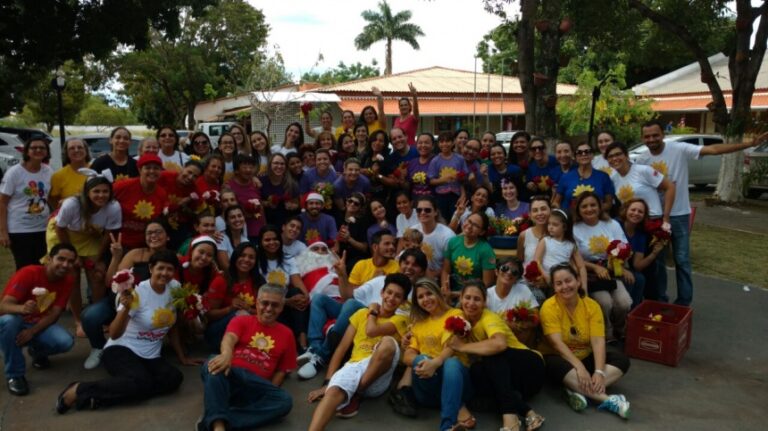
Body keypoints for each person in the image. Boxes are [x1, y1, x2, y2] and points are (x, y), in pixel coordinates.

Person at [634, 120, 768, 306]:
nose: (651, 139)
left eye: (655, 135)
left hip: (679, 215)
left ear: (663, 134)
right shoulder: (642, 159)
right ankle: (660, 300)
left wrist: (749, 144)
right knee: (658, 261)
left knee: (682, 260)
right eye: (647, 136)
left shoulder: (678, 149)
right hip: (656, 217)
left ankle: (683, 302)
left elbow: (713, 150)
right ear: (642, 138)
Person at [55, 250, 184, 413]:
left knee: (173, 378)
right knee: (140, 381)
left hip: (151, 354)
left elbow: (173, 325)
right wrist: (126, 308)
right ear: (151, 268)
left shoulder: (175, 288)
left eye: (169, 269)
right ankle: (79, 389)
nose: (165, 273)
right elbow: (114, 333)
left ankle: (101, 397)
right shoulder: (137, 292)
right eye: (160, 268)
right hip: (121, 349)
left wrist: (182, 355)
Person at [300, 249, 427, 381]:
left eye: (415, 265)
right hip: (357, 314)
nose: (409, 267)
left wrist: (372, 311)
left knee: (352, 305)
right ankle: (314, 348)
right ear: (400, 263)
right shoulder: (382, 280)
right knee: (319, 299)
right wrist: (342, 275)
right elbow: (348, 296)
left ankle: (322, 356)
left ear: (422, 272)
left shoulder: (418, 296)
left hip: (377, 323)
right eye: (406, 263)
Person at [307, 274, 412, 428]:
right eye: (389, 292)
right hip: (355, 366)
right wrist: (327, 383)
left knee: (388, 343)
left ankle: (356, 393)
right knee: (333, 392)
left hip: (377, 377)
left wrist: (373, 312)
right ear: (382, 292)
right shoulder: (360, 314)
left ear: (403, 301)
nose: (391, 298)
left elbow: (371, 331)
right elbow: (341, 349)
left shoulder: (400, 320)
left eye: (397, 296)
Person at [449, 283, 546, 431]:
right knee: (476, 370)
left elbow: (500, 344)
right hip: (511, 383)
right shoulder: (461, 319)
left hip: (531, 369)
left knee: (492, 353)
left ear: (484, 302)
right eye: (467, 298)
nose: (471, 303)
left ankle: (509, 417)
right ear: (461, 299)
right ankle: (528, 412)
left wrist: (462, 347)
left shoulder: (488, 317)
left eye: (477, 299)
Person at [540, 263, 631, 419]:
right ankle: (609, 401)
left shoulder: (591, 306)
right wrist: (580, 367)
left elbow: (598, 341)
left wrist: (599, 372)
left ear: (578, 281)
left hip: (585, 354)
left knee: (621, 360)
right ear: (554, 288)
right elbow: (557, 344)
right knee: (553, 365)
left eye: (568, 281)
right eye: (559, 283)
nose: (565, 286)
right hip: (561, 358)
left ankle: (575, 389)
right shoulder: (549, 307)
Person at [198, 283, 295, 430]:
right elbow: (229, 338)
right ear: (257, 303)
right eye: (265, 303)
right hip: (230, 374)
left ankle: (215, 419)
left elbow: (282, 370)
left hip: (256, 385)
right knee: (213, 362)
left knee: (284, 401)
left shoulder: (287, 334)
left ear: (281, 307)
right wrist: (226, 355)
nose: (269, 308)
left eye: (275, 305)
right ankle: (218, 426)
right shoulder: (242, 320)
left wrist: (268, 391)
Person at [84, 220, 171, 370]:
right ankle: (98, 347)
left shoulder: (172, 258)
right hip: (120, 303)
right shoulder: (135, 254)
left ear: (168, 236)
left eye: (158, 232)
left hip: (146, 309)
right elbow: (110, 281)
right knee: (89, 316)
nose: (153, 236)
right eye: (149, 233)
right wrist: (116, 257)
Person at [47, 174, 121, 338]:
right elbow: (60, 228)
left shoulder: (113, 206)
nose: (101, 195)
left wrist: (97, 259)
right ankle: (79, 321)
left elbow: (107, 234)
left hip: (89, 235)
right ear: (87, 193)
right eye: (96, 191)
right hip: (64, 235)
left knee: (98, 275)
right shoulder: (72, 204)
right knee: (71, 275)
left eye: (105, 191)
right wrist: (73, 257)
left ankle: (96, 317)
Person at [0, 243, 77, 396]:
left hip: (36, 323)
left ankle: (37, 351)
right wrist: (22, 308)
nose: (65, 265)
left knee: (65, 341)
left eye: (70, 261)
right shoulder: (29, 273)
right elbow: (3, 306)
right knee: (10, 322)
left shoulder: (68, 280)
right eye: (61, 259)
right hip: (14, 320)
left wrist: (32, 332)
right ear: (49, 259)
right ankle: (15, 375)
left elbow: (55, 314)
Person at [400, 278, 473, 431]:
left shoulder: (456, 314)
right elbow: (407, 356)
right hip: (428, 388)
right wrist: (424, 362)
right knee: (421, 358)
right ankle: (457, 406)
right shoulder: (418, 324)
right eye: (420, 297)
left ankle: (447, 426)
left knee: (451, 362)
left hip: (456, 382)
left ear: (438, 293)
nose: (426, 299)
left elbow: (452, 345)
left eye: (429, 293)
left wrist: (435, 362)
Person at [572, 192, 633, 341]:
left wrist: (620, 266)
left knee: (624, 303)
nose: (589, 209)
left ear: (599, 207)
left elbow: (625, 248)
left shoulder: (612, 224)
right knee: (605, 302)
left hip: (612, 270)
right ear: (578, 209)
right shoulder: (574, 228)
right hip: (589, 273)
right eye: (584, 206)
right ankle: (606, 331)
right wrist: (595, 268)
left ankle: (620, 328)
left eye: (593, 205)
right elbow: (572, 258)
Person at [0, 136, 53, 269]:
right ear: (27, 151)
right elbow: (2, 203)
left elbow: (50, 198)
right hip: (20, 230)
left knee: (43, 266)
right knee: (25, 268)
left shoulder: (48, 171)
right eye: (34, 147)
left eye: (42, 148)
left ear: (47, 151)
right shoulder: (14, 173)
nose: (38, 150)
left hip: (43, 228)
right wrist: (3, 232)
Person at [204, 242, 261, 351]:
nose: (246, 260)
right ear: (235, 257)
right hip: (218, 333)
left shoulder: (258, 281)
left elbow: (264, 312)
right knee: (241, 314)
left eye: (251, 257)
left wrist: (249, 309)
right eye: (242, 255)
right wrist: (230, 309)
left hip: (249, 330)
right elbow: (209, 315)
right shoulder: (221, 280)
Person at [113, 154, 168, 250]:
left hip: (145, 246)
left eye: (156, 168)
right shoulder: (123, 186)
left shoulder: (162, 194)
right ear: (139, 170)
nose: (152, 171)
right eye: (148, 168)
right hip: (118, 243)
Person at [618, 199, 665, 306]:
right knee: (630, 279)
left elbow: (637, 265)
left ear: (644, 216)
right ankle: (625, 311)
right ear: (626, 210)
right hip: (610, 265)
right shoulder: (616, 225)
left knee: (640, 278)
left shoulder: (640, 235)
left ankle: (634, 311)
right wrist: (623, 270)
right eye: (633, 210)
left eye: (640, 211)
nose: (636, 213)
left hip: (626, 266)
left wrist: (654, 254)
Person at [441, 211, 496, 300]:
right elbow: (445, 270)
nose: (469, 226)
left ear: (482, 232)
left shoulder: (486, 251)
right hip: (451, 293)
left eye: (475, 225)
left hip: (473, 297)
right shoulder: (453, 242)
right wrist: (445, 289)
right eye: (469, 221)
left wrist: (456, 294)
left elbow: (487, 284)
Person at [552, 141, 614, 214]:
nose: (583, 154)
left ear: (592, 155)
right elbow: (556, 202)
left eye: (587, 151)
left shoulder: (603, 177)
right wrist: (560, 214)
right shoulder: (565, 177)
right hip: (571, 219)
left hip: (595, 218)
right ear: (575, 157)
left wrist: (591, 211)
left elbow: (609, 203)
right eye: (579, 152)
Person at [533, 209, 588, 289]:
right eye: (549, 224)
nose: (550, 227)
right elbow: (536, 262)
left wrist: (584, 287)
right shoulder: (545, 241)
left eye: (555, 225)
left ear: (564, 227)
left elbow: (581, 267)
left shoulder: (571, 245)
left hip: (564, 282)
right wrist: (545, 276)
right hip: (547, 281)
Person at [516, 196, 552, 302]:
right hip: (530, 284)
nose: (540, 213)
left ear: (551, 211)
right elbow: (520, 261)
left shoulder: (559, 235)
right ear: (530, 215)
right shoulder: (524, 235)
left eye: (543, 209)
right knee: (538, 298)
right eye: (535, 210)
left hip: (554, 282)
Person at [428, 131, 468, 222]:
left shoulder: (459, 159)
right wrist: (443, 180)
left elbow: (464, 178)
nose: (444, 144)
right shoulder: (435, 160)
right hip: (440, 196)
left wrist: (463, 192)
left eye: (447, 141)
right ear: (438, 144)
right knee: (442, 220)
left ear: (453, 142)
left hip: (456, 195)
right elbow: (430, 181)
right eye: (442, 142)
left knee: (456, 219)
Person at [413, 196, 456, 279]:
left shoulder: (447, 235)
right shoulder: (413, 231)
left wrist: (431, 276)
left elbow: (450, 266)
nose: (422, 213)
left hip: (440, 278)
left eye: (427, 210)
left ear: (435, 212)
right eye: (419, 210)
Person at [226, 154, 265, 243]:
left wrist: (264, 226)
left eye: (251, 167)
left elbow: (261, 207)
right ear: (236, 170)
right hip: (242, 233)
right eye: (244, 167)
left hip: (260, 231)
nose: (248, 170)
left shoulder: (256, 184)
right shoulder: (229, 186)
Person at [49, 138, 90, 210]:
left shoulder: (96, 169)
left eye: (80, 147)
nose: (76, 150)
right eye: (72, 148)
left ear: (86, 150)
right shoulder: (58, 176)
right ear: (66, 153)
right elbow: (54, 203)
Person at [260, 153, 300, 225]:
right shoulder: (261, 181)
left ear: (286, 166)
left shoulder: (291, 184)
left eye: (282, 164)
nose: (279, 166)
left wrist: (293, 206)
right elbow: (257, 201)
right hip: (266, 222)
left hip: (285, 223)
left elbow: (297, 203)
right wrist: (268, 203)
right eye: (276, 163)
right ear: (270, 165)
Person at [334, 193, 369, 272]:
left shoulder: (362, 223)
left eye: (356, 204)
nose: (352, 204)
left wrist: (349, 239)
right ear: (346, 202)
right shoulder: (338, 216)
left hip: (355, 256)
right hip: (338, 253)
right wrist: (337, 242)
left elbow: (364, 248)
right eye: (350, 201)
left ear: (360, 208)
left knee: (351, 267)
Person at [216, 205, 249, 271]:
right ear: (227, 222)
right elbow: (224, 265)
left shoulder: (245, 241)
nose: (237, 219)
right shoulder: (221, 238)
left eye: (239, 216)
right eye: (232, 217)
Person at [406, 133, 436, 197]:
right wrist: (401, 180)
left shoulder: (438, 161)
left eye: (426, 143)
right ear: (416, 145)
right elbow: (408, 186)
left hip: (433, 200)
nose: (423, 145)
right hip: (415, 201)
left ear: (433, 146)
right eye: (420, 143)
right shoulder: (412, 163)